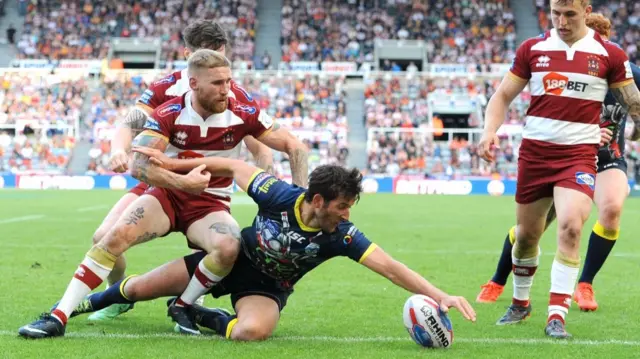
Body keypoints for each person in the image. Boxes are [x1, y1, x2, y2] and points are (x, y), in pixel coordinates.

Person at [18, 49, 310, 339]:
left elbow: (295, 146)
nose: (227, 90)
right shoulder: (167, 111)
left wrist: (301, 200)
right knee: (113, 237)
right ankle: (58, 316)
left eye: (229, 81)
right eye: (218, 84)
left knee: (229, 247)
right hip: (167, 195)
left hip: (210, 204)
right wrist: (182, 184)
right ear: (194, 83)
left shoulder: (243, 112)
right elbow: (139, 167)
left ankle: (183, 306)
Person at [57, 152, 477, 340]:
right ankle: (76, 307)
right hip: (227, 260)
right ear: (317, 201)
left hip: (267, 289)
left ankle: (200, 314)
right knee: (136, 288)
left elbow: (390, 267)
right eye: (342, 206)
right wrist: (174, 165)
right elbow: (235, 165)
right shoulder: (278, 195)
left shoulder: (342, 236)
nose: (347, 214)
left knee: (252, 333)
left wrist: (441, 296)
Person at [88, 19, 279, 321]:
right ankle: (118, 295)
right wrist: (117, 150)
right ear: (187, 53)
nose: (210, 63)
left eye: (216, 54)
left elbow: (261, 147)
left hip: (208, 189)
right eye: (202, 55)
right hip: (159, 178)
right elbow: (130, 122)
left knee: (219, 246)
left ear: (225, 51)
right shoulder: (167, 86)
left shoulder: (233, 95)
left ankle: (189, 306)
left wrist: (263, 186)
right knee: (102, 236)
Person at [478, 0, 640, 339]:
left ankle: (557, 316)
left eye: (569, 14)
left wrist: (637, 123)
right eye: (556, 14)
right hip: (535, 156)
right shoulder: (533, 49)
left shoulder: (610, 55)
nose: (562, 21)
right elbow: (502, 95)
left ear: (585, 10)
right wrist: (489, 131)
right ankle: (520, 303)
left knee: (570, 227)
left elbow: (632, 100)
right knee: (526, 238)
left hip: (578, 157)